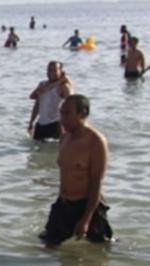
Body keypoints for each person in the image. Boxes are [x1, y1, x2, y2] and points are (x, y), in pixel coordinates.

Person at [40, 94, 111, 247]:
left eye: (67, 114)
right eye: (61, 113)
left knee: (99, 251)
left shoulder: (96, 142)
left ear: (82, 114)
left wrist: (86, 220)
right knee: (48, 246)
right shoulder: (64, 138)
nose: (62, 119)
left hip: (87, 206)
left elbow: (96, 183)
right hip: (64, 204)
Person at [27, 61, 72, 141]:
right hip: (40, 123)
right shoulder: (42, 84)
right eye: (49, 70)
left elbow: (72, 104)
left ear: (60, 71)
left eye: (54, 70)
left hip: (55, 124)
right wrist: (31, 122)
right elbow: (35, 101)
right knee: (36, 151)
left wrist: (67, 126)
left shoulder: (64, 87)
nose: (51, 72)